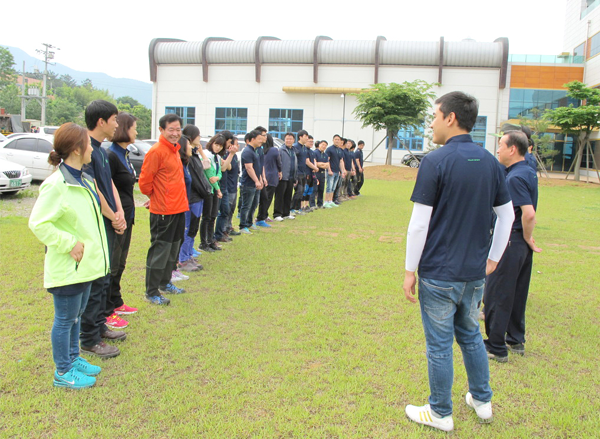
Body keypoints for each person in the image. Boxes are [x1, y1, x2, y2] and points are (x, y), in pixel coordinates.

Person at [402, 91, 514, 432]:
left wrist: (409, 270)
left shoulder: (435, 161)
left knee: (439, 345)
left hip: (439, 273)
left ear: (450, 118)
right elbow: (507, 216)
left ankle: (440, 412)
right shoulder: (491, 162)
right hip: (474, 273)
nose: (431, 124)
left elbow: (419, 224)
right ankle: (482, 401)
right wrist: (493, 258)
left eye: (434, 116)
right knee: (470, 335)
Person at [29, 122, 109, 389]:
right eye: (88, 144)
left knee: (77, 316)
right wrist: (68, 243)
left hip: (83, 266)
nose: (92, 149)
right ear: (77, 149)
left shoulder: (83, 179)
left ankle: (73, 359)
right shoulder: (56, 185)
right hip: (68, 266)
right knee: (65, 320)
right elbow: (38, 223)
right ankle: (63, 371)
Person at [484, 131, 540, 362]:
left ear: (512, 149)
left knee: (497, 292)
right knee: (517, 292)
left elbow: (529, 213)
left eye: (500, 145)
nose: (497, 149)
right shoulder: (527, 171)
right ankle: (515, 339)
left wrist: (527, 236)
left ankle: (496, 346)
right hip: (519, 245)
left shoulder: (515, 178)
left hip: (511, 240)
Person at [80, 100, 126, 359]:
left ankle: (99, 326)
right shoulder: (84, 148)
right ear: (101, 121)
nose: (117, 124)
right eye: (114, 119)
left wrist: (119, 212)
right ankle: (89, 338)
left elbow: (109, 183)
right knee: (96, 281)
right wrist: (112, 215)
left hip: (109, 221)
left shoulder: (101, 150)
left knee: (105, 276)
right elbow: (93, 188)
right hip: (96, 224)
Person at [139, 114, 189, 304]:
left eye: (178, 129)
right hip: (163, 211)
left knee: (173, 248)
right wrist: (157, 198)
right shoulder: (156, 151)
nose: (175, 133)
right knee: (160, 250)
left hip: (179, 208)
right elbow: (144, 183)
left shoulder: (174, 149)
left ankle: (165, 282)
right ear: (161, 130)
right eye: (171, 129)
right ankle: (152, 291)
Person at [105, 112, 139, 329]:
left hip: (128, 215)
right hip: (116, 219)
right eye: (134, 127)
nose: (136, 131)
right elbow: (106, 189)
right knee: (113, 264)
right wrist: (115, 215)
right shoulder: (111, 156)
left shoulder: (125, 154)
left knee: (121, 263)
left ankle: (116, 301)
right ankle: (107, 309)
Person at [200, 134, 225, 251]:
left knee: (213, 216)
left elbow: (219, 173)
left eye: (221, 146)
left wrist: (218, 178)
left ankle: (210, 241)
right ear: (212, 143)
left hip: (215, 189)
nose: (218, 147)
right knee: (206, 217)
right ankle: (203, 243)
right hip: (208, 189)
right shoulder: (206, 155)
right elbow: (210, 174)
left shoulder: (218, 157)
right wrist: (218, 188)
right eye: (216, 144)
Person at [238, 130, 264, 234]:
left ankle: (249, 222)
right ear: (252, 139)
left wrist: (260, 179)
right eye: (259, 139)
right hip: (248, 183)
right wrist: (256, 181)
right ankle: (243, 225)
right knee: (246, 205)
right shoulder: (247, 151)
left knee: (254, 204)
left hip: (255, 183)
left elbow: (257, 168)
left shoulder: (255, 151)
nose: (261, 141)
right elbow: (249, 168)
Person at [214, 131, 237, 243]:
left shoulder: (223, 153)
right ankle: (215, 236)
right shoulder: (216, 154)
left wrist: (230, 155)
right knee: (215, 214)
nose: (229, 145)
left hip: (224, 186)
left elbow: (229, 167)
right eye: (229, 142)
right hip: (218, 186)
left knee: (225, 211)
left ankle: (220, 234)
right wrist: (231, 154)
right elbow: (223, 168)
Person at [256, 134, 281, 227]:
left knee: (263, 198)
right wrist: (280, 171)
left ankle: (263, 215)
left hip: (263, 175)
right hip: (272, 176)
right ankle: (262, 216)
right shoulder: (274, 150)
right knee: (268, 198)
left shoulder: (260, 150)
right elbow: (279, 162)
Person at [273, 132, 297, 221]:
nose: (288, 140)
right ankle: (277, 214)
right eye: (287, 139)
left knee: (288, 196)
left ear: (294, 140)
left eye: (290, 139)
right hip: (282, 177)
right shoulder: (280, 150)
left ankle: (286, 213)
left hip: (291, 177)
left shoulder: (294, 150)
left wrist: (295, 177)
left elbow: (295, 164)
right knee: (279, 196)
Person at [291, 130, 309, 215]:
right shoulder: (295, 147)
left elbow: (305, 161)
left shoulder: (304, 148)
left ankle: (298, 208)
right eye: (306, 136)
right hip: (297, 173)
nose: (307, 138)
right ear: (300, 137)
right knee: (298, 190)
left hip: (303, 172)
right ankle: (291, 208)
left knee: (302, 191)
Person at [324, 135, 344, 208]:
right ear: (333, 140)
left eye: (338, 139)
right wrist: (329, 170)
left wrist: (342, 171)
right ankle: (326, 202)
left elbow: (341, 161)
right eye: (335, 139)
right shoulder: (329, 149)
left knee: (333, 187)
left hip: (337, 171)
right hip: (331, 171)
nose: (337, 141)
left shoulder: (340, 150)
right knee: (329, 187)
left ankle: (330, 201)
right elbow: (327, 160)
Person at [313, 140, 329, 208]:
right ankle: (312, 204)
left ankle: (320, 204)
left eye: (325, 145)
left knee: (321, 189)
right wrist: (322, 164)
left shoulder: (325, 155)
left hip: (323, 173)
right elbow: (315, 163)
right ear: (319, 145)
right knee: (315, 189)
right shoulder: (315, 153)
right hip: (316, 172)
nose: (324, 146)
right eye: (323, 144)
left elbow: (327, 165)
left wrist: (321, 164)